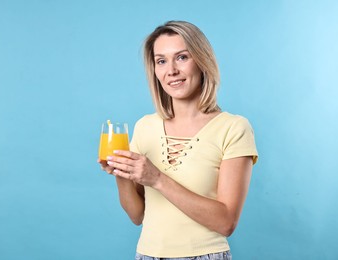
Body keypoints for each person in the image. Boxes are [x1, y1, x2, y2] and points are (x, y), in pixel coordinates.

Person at [98, 20, 258, 260]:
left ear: (202, 61)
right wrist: (121, 174)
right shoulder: (145, 126)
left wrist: (158, 179)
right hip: (147, 255)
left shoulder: (233, 128)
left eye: (182, 57)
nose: (171, 70)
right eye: (161, 61)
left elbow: (226, 222)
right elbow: (137, 216)